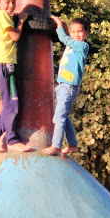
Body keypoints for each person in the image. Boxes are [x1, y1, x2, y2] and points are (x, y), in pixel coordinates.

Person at [0, 0, 32, 153]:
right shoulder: (2, 15)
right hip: (5, 65)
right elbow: (15, 37)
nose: (11, 5)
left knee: (10, 104)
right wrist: (21, 22)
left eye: (13, 2)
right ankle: (11, 139)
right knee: (12, 105)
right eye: (7, 2)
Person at [43, 16, 89, 156]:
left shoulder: (82, 46)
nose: (76, 34)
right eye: (73, 31)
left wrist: (58, 26)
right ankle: (72, 145)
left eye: (79, 31)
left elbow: (66, 39)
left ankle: (56, 145)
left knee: (59, 117)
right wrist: (64, 26)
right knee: (64, 116)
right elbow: (69, 38)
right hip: (63, 85)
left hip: (69, 86)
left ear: (86, 33)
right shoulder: (73, 44)